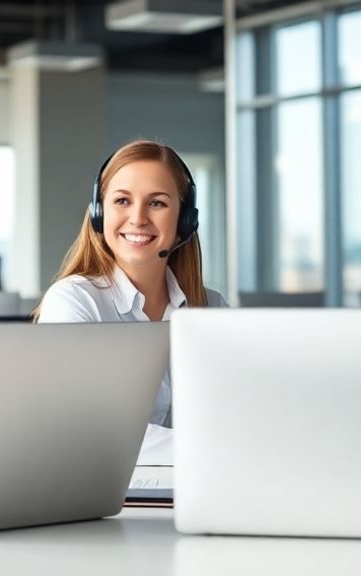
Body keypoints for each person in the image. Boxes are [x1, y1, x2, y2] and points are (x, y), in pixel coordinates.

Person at [36, 139, 226, 434]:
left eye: (157, 203)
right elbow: (90, 431)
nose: (137, 218)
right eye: (122, 201)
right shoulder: (73, 302)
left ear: (185, 220)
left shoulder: (211, 308)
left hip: (198, 477)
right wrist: (207, 447)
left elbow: (236, 411)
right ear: (99, 213)